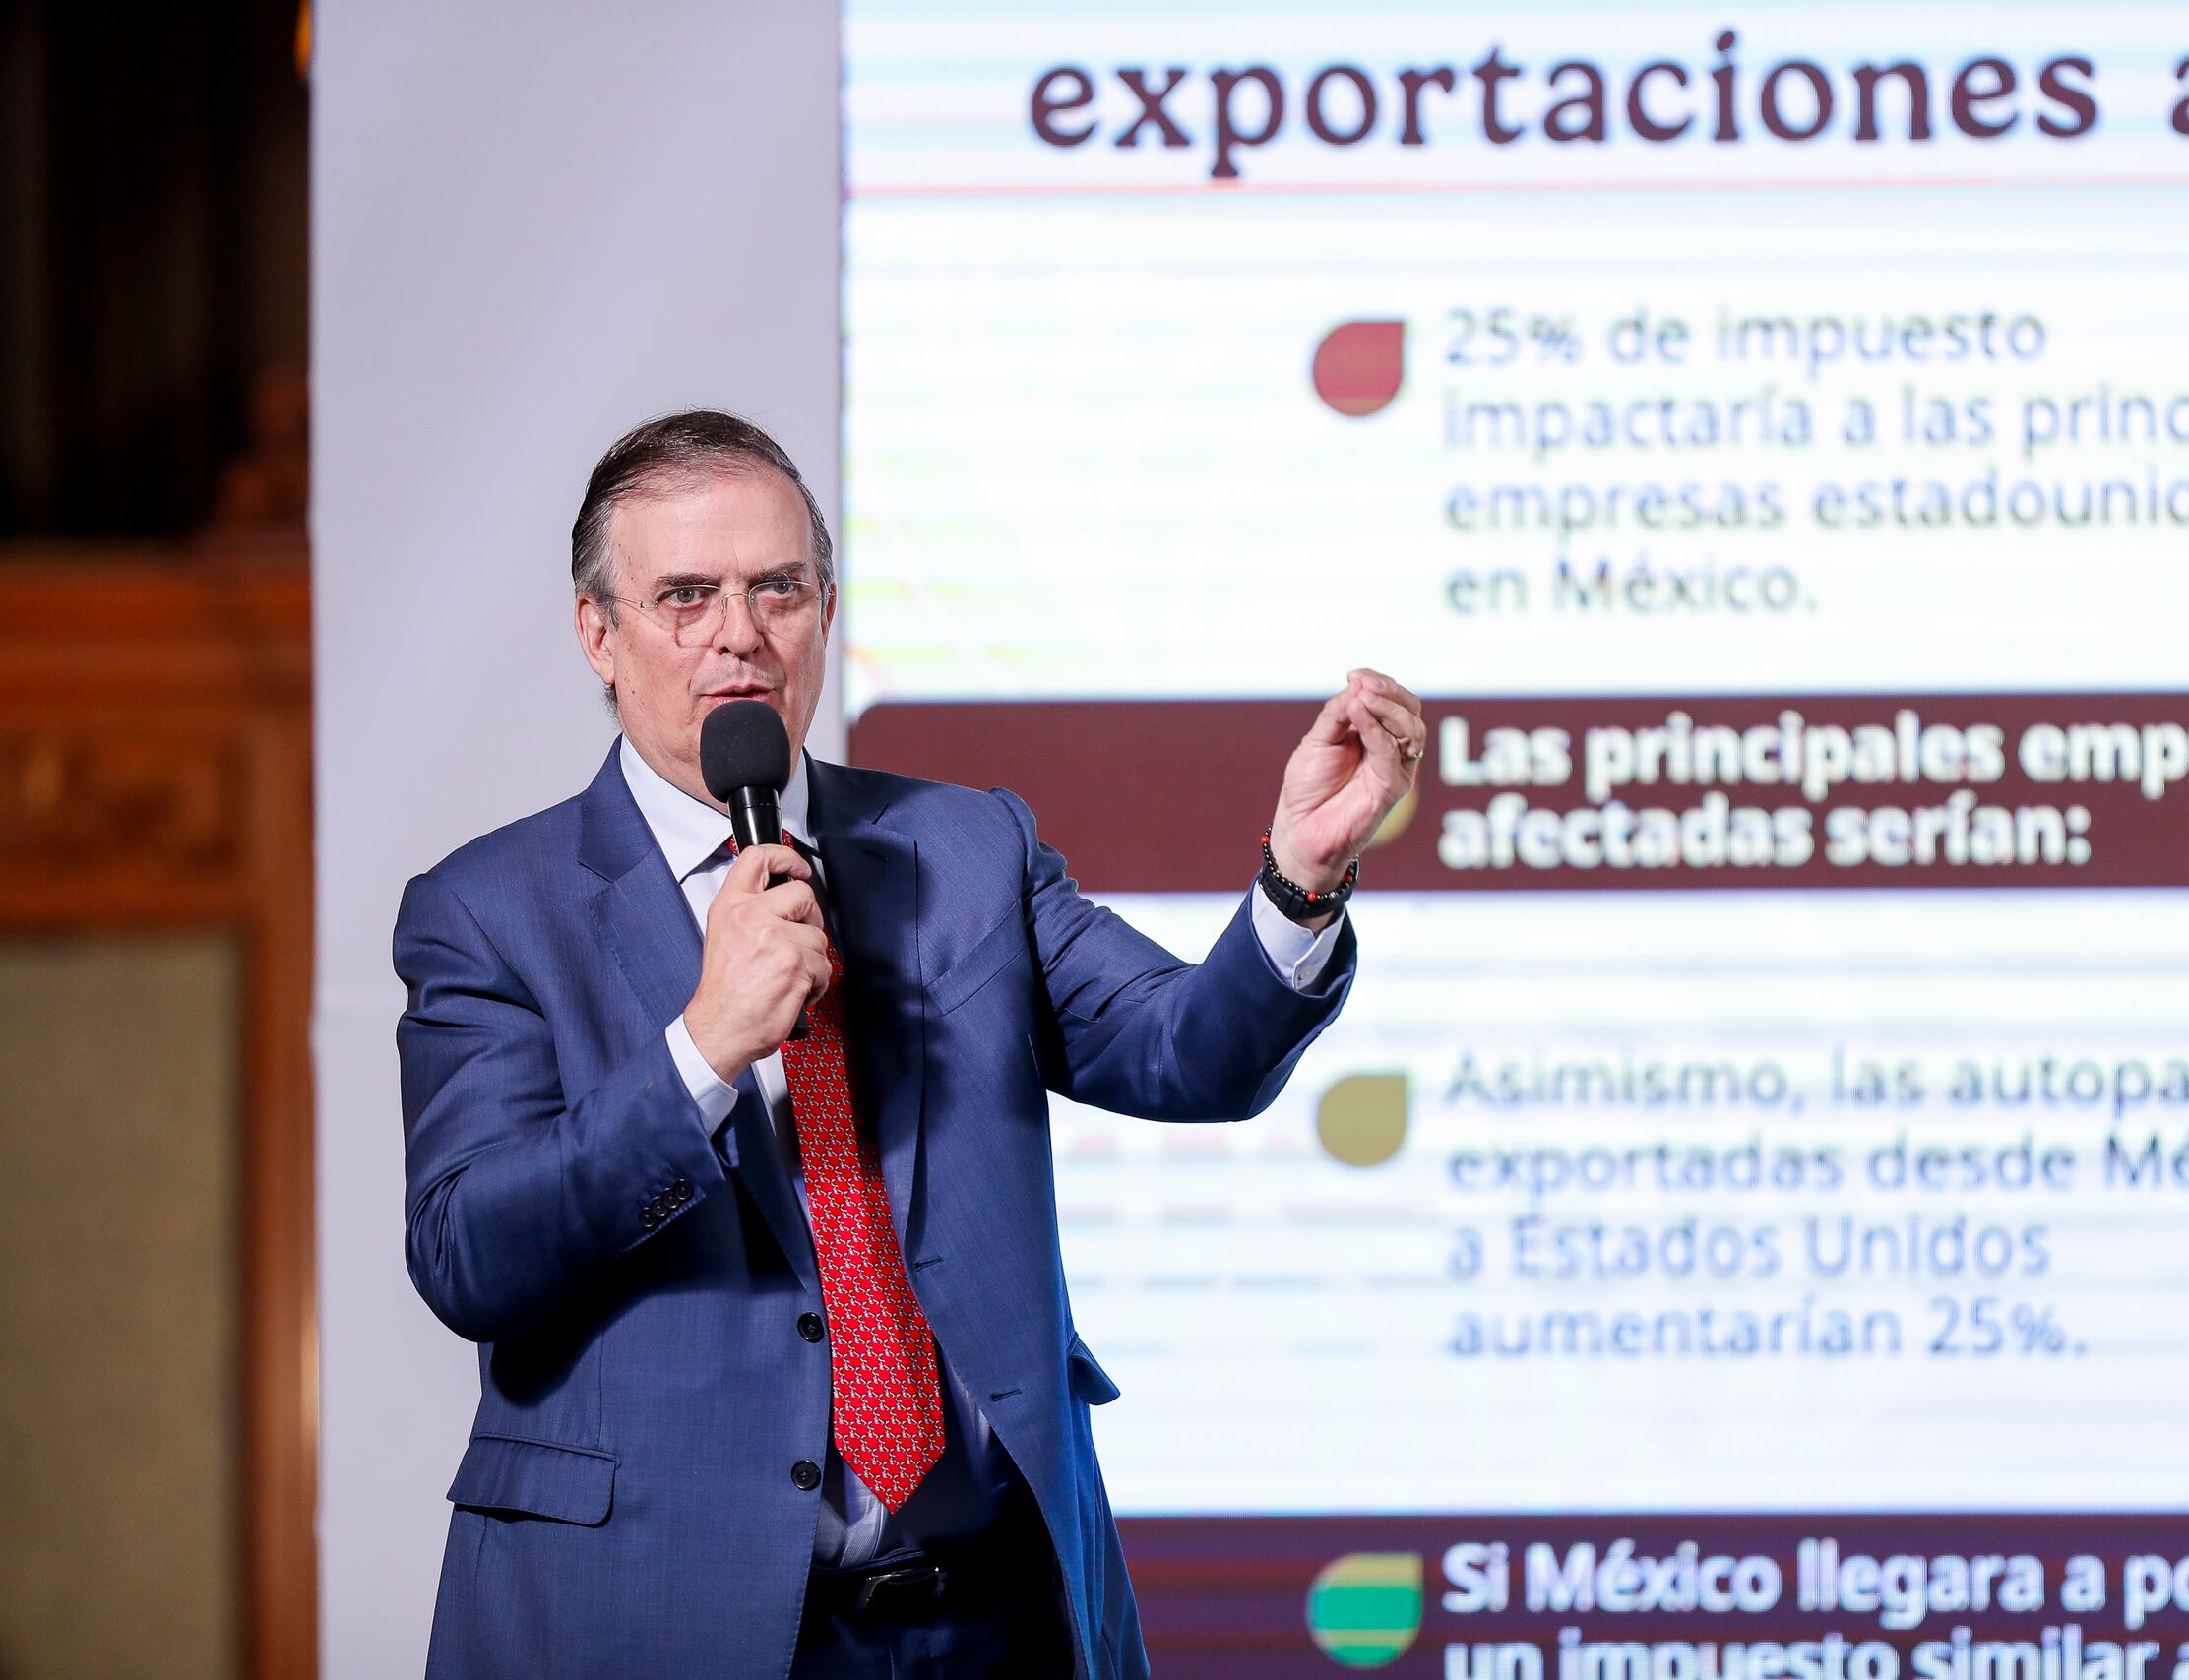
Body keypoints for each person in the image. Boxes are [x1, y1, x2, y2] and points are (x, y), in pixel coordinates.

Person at [394, 409, 1425, 1680]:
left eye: (778, 588)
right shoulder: (489, 910)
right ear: (598, 635)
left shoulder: (967, 849)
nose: (739, 632)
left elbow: (1186, 1053)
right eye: (686, 596)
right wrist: (701, 1052)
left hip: (989, 1624)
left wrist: (1298, 882)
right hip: (662, 1622)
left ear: (825, 612)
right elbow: (467, 1252)